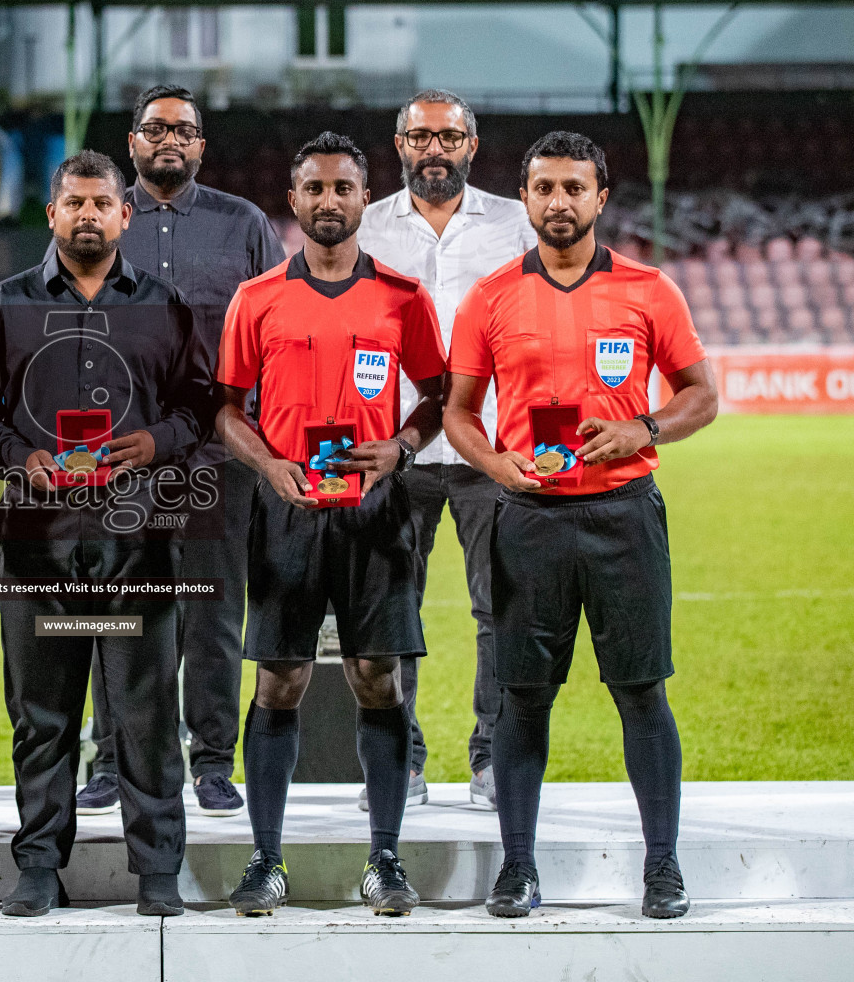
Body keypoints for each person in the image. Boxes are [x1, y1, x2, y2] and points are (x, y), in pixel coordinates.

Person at [444, 131, 718, 919]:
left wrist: (646, 429)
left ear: (601, 197)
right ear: (524, 198)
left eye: (573, 188)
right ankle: (519, 870)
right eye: (543, 188)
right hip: (526, 518)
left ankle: (662, 868)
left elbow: (700, 394)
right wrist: (495, 467)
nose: (557, 202)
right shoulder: (490, 296)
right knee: (521, 699)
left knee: (641, 692)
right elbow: (460, 413)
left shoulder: (649, 289)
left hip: (623, 514)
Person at [0, 150, 217, 917]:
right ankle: (38, 866)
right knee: (42, 713)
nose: (89, 214)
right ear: (53, 213)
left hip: (141, 539)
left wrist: (156, 442)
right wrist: (15, 456)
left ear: (125, 215)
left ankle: (158, 871)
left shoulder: (164, 306)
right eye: (75, 202)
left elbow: (200, 404)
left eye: (103, 203)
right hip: (36, 539)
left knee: (145, 713)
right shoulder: (3, 305)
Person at [216, 133, 448, 917]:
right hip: (286, 511)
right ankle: (265, 859)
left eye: (343, 188)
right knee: (279, 681)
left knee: (375, 677)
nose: (328, 201)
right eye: (313, 188)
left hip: (375, 514)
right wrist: (268, 465)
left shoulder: (403, 297)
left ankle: (384, 859)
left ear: (363, 197)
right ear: (295, 199)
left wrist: (403, 448)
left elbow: (439, 394)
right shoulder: (257, 299)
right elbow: (224, 410)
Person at [77, 84, 285, 819]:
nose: (171, 140)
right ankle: (113, 757)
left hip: (214, 457)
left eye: (185, 131)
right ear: (131, 139)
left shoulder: (245, 223)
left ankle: (212, 762)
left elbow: (273, 326)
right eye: (156, 128)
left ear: (201, 146)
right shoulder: (98, 215)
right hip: (118, 459)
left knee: (212, 617)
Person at [356, 89, 537, 811]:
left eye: (449, 137)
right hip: (393, 450)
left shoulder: (516, 223)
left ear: (472, 145)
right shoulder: (365, 227)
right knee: (390, 611)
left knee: (501, 611)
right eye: (421, 137)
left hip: (487, 448)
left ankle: (490, 758)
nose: (435, 149)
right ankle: (402, 760)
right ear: (399, 144)